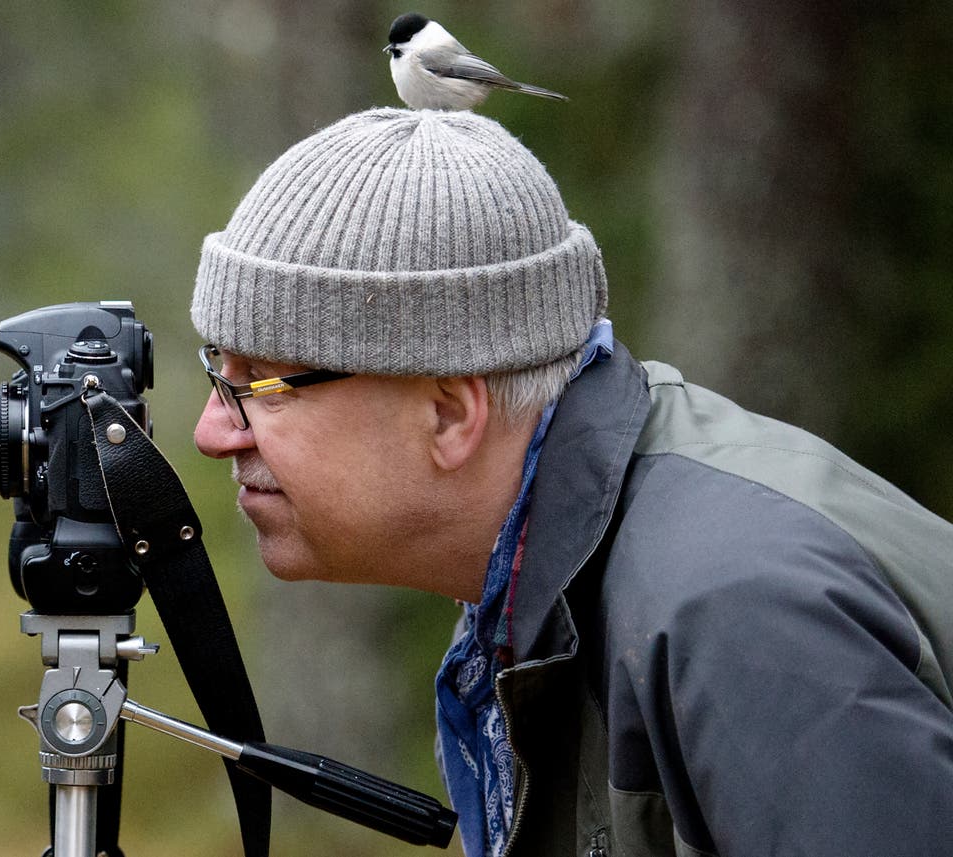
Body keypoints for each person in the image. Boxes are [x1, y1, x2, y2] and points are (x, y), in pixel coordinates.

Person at [187, 108, 953, 857]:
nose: (213, 431)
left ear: (450, 415)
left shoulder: (736, 615)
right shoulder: (532, 590)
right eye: (219, 371)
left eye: (261, 383)